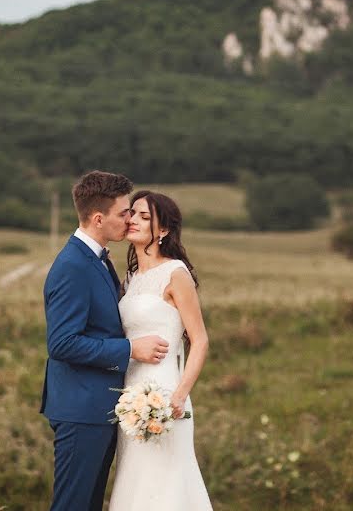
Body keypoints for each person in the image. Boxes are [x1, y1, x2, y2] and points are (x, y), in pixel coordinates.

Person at [40, 171, 171, 511]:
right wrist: (130, 350)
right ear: (99, 219)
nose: (129, 219)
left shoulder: (97, 260)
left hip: (98, 409)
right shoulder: (73, 266)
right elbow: (62, 343)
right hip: (80, 410)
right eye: (124, 212)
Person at [108, 190, 212, 510]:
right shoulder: (132, 277)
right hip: (131, 394)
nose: (133, 221)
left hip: (165, 393)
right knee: (135, 480)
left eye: (144, 217)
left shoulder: (175, 274)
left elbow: (200, 340)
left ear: (163, 230)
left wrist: (179, 395)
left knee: (166, 482)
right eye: (132, 214)